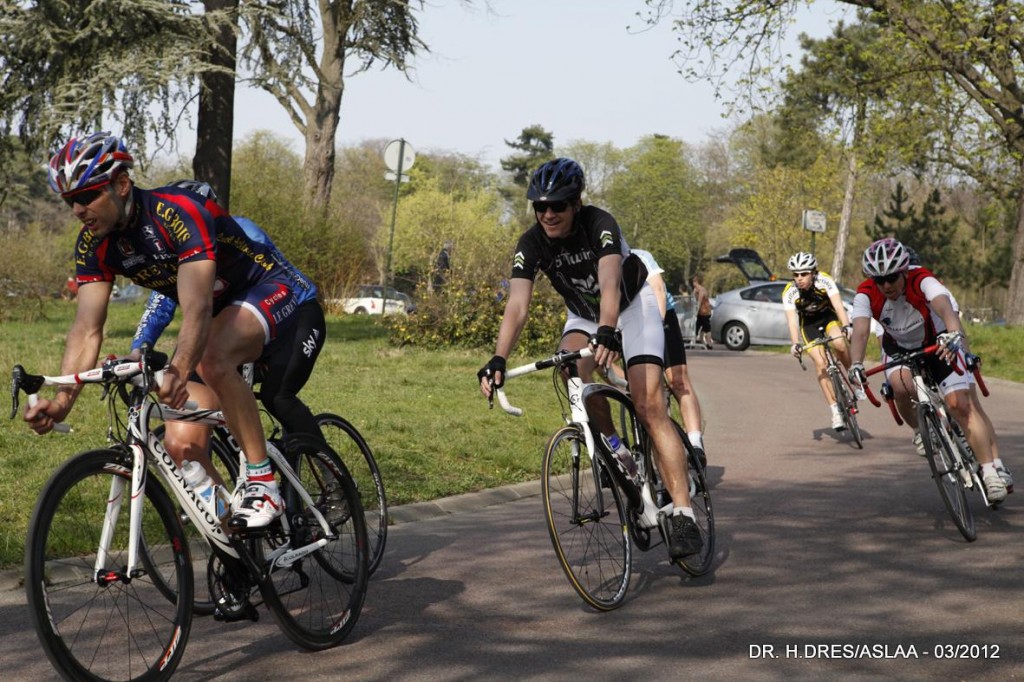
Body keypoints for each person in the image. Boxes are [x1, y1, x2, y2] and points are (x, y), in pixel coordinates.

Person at [24, 132, 312, 530]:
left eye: (87, 195)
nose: (78, 209)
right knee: (180, 444)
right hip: (219, 316)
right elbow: (86, 329)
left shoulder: (176, 212)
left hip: (266, 289)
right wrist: (61, 403)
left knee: (212, 357)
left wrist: (178, 367)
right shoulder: (93, 245)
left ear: (121, 184)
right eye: (70, 200)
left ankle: (263, 482)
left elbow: (196, 307)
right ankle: (236, 547)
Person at [477, 158, 702, 560]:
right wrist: (497, 358)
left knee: (650, 405)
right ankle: (617, 450)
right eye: (539, 206)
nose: (547, 214)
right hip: (583, 313)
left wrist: (608, 327)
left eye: (557, 205)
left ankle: (684, 513)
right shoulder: (531, 243)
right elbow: (517, 306)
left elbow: (611, 281)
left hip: (633, 307)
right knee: (568, 368)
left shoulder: (600, 223)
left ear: (576, 203)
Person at [130, 184, 327, 506]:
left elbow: (274, 280)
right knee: (194, 402)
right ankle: (225, 521)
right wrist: (140, 348)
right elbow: (160, 305)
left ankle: (329, 476)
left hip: (295, 314)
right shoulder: (177, 254)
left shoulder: (242, 230)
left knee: (279, 397)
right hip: (233, 330)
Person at [847, 238, 1011, 501]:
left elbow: (945, 306)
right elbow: (861, 329)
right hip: (898, 347)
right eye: (880, 280)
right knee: (899, 385)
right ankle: (919, 431)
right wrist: (856, 363)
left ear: (904, 271)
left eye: (891, 277)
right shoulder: (865, 293)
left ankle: (991, 471)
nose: (886, 285)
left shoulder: (921, 279)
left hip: (937, 342)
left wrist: (955, 335)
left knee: (961, 405)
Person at [630, 248, 708, 462]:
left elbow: (658, 291)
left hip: (661, 315)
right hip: (628, 321)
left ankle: (695, 442)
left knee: (677, 380)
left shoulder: (640, 256)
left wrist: (657, 326)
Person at [782, 251, 862, 432]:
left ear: (813, 272)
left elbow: (838, 306)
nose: (799, 278)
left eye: (804, 274)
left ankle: (853, 377)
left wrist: (847, 326)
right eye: (796, 275)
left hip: (828, 318)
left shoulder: (824, 280)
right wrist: (795, 343)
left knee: (840, 344)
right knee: (820, 363)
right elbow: (792, 321)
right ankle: (835, 410)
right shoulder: (789, 292)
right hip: (808, 325)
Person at [691, 274, 713, 349]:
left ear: (696, 282)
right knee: (697, 327)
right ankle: (700, 343)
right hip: (700, 313)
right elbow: (692, 299)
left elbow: (699, 302)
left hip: (705, 312)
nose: (693, 283)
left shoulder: (702, 290)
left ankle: (709, 344)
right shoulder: (696, 290)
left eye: (694, 282)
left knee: (706, 328)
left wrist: (695, 313)